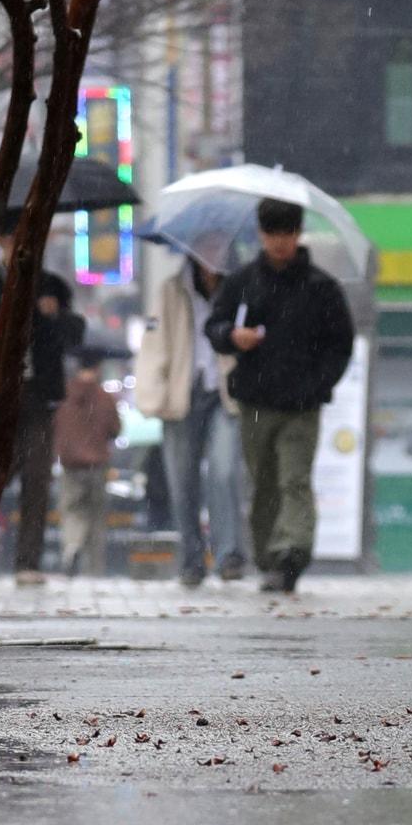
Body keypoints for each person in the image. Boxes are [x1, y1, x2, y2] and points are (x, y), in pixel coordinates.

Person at [205, 199, 355, 593]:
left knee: (294, 479)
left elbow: (340, 344)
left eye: (286, 233)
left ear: (298, 234)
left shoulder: (321, 288)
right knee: (264, 482)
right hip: (255, 398)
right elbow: (215, 326)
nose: (280, 242)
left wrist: (320, 383)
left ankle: (292, 553)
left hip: (302, 405)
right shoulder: (241, 283)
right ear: (261, 234)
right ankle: (269, 556)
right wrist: (232, 338)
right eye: (272, 233)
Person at [0, 215, 85, 585]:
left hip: (39, 396)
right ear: (1, 242)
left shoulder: (52, 286)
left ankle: (27, 562)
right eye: (15, 238)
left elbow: (75, 334)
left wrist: (57, 315)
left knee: (37, 476)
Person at [134, 251, 246, 587]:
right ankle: (191, 559)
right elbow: (154, 345)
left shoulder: (240, 288)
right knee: (182, 481)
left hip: (225, 392)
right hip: (182, 394)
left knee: (224, 471)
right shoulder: (171, 289)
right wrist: (153, 393)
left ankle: (228, 554)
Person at [53, 347, 121, 578]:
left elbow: (56, 427)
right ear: (98, 367)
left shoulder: (64, 394)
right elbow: (115, 429)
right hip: (97, 464)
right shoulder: (105, 397)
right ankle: (94, 568)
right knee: (96, 517)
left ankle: (72, 546)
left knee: (72, 510)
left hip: (71, 464)